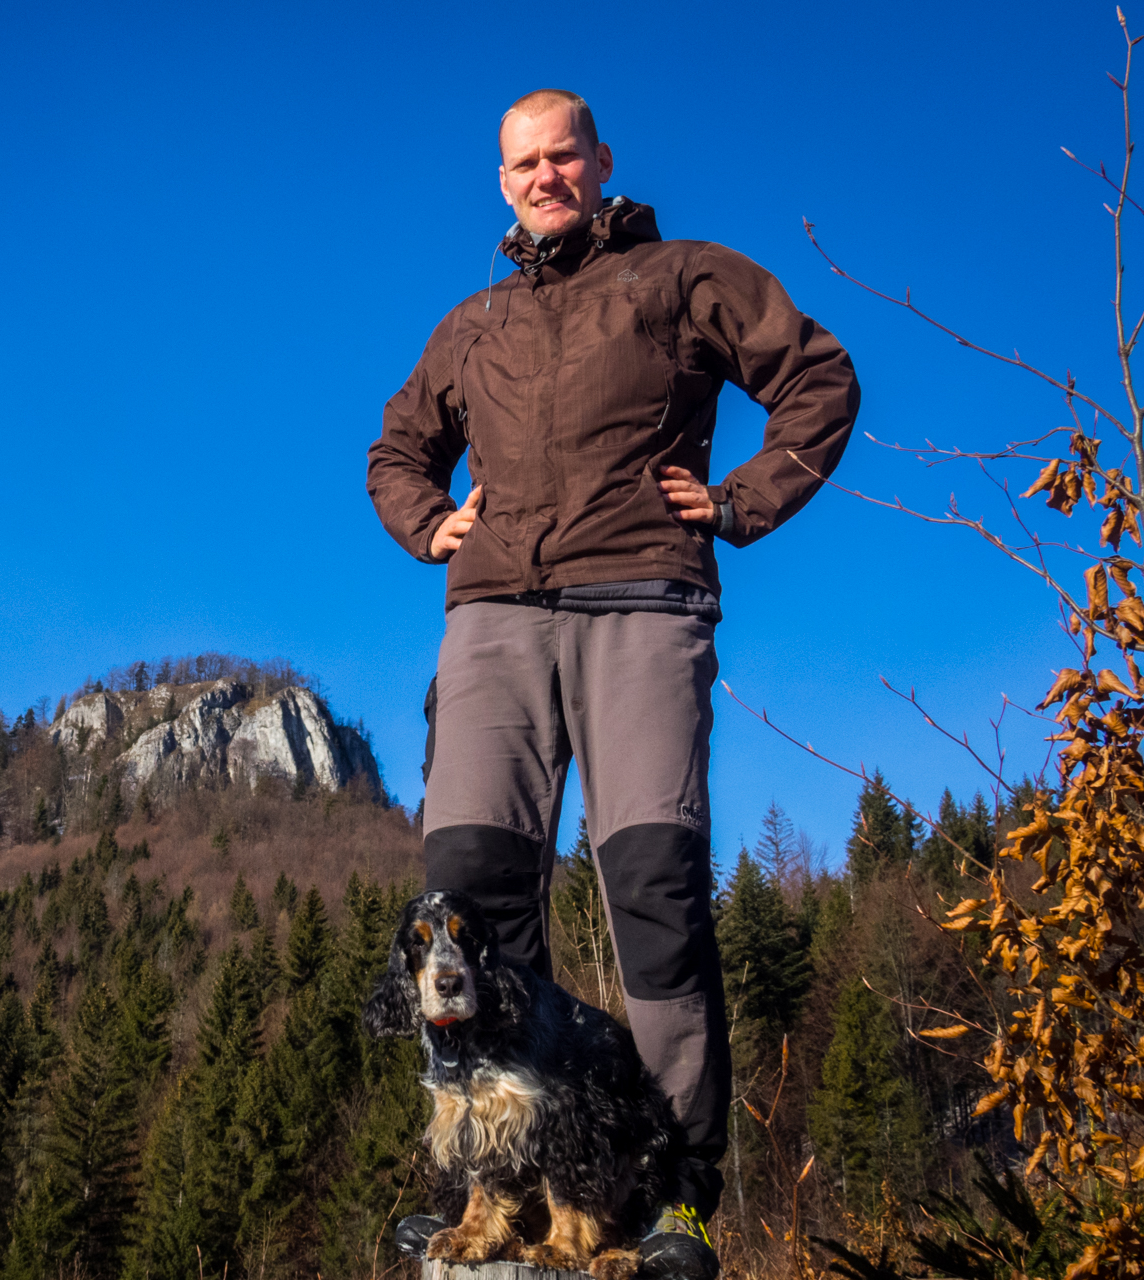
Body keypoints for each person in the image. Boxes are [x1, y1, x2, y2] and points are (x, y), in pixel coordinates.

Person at [367, 89, 858, 1276]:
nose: (544, 176)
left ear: (600, 162)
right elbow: (395, 450)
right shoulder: (472, 323)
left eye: (562, 155)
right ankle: (501, 1193)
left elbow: (819, 379)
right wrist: (433, 522)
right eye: (522, 162)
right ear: (502, 182)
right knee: (469, 903)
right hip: (491, 618)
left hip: (640, 599)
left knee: (651, 888)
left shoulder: (681, 277)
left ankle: (677, 1197)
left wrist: (739, 501)